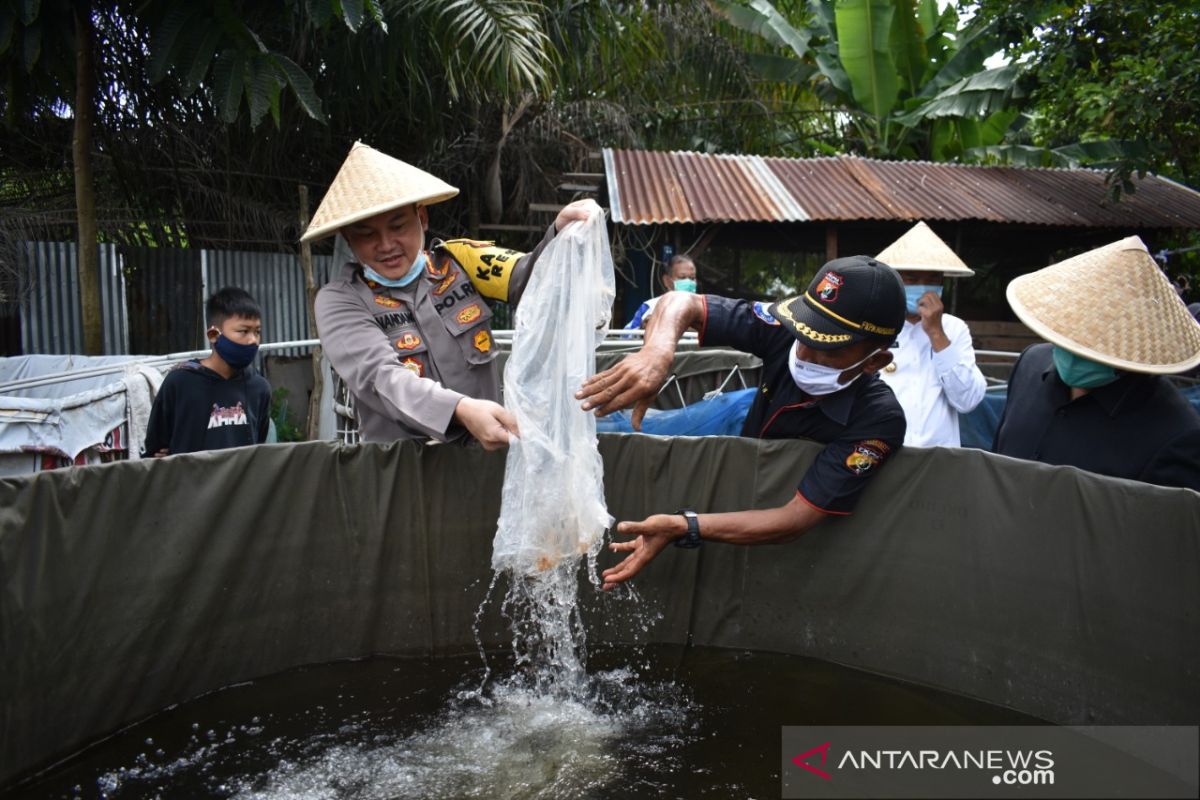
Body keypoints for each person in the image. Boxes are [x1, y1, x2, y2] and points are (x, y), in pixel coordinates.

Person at [578, 255, 908, 589]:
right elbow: (681, 302)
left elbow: (795, 519)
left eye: (827, 349)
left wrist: (686, 526)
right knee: (624, 427)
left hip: (757, 454)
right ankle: (544, 426)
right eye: (804, 335)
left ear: (875, 361)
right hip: (739, 413)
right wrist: (656, 354)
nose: (805, 353)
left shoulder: (879, 419)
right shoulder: (787, 328)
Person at [302, 141, 596, 449]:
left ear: (423, 218)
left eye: (398, 226)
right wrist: (461, 410)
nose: (386, 244)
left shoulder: (461, 262)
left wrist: (559, 237)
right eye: (367, 234)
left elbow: (532, 280)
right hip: (404, 479)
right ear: (349, 239)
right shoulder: (339, 301)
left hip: (488, 463)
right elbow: (380, 377)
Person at [992, 236, 1200, 490]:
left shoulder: (1176, 434)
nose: (1076, 348)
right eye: (1072, 330)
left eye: (1097, 341)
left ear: (1135, 345)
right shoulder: (1030, 365)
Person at [875, 221, 987, 446]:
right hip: (883, 453)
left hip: (939, 459)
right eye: (913, 279)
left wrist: (937, 333)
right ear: (894, 281)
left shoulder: (954, 329)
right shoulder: (872, 326)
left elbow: (968, 400)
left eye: (933, 280)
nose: (924, 288)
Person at [142, 287, 272, 456]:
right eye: (244, 331)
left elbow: (258, 443)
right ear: (213, 335)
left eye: (257, 332)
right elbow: (156, 448)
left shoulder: (259, 388)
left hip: (241, 483)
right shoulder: (180, 382)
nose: (253, 340)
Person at [623, 254, 698, 330]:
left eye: (692, 278)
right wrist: (642, 330)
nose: (689, 282)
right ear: (667, 281)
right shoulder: (650, 306)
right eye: (682, 277)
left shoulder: (704, 307)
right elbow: (625, 336)